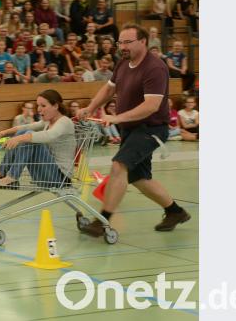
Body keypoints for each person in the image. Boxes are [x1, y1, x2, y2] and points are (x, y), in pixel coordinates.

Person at [77, 23, 191, 235]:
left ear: (143, 42)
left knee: (119, 166)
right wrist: (91, 107)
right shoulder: (122, 63)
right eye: (121, 42)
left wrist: (117, 117)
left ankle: (102, 222)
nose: (123, 46)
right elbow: (109, 88)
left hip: (150, 129)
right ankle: (175, 211)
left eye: (128, 42)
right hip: (130, 129)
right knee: (139, 178)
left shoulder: (155, 68)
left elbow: (151, 106)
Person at [0, 90, 77, 189]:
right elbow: (23, 127)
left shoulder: (65, 122)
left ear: (55, 106)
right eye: (38, 105)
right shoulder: (47, 122)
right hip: (45, 172)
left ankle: (12, 177)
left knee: (28, 135)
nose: (39, 109)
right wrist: (1, 133)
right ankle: (1, 172)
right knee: (23, 133)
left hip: (60, 178)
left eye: (43, 106)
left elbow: (50, 135)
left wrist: (20, 139)